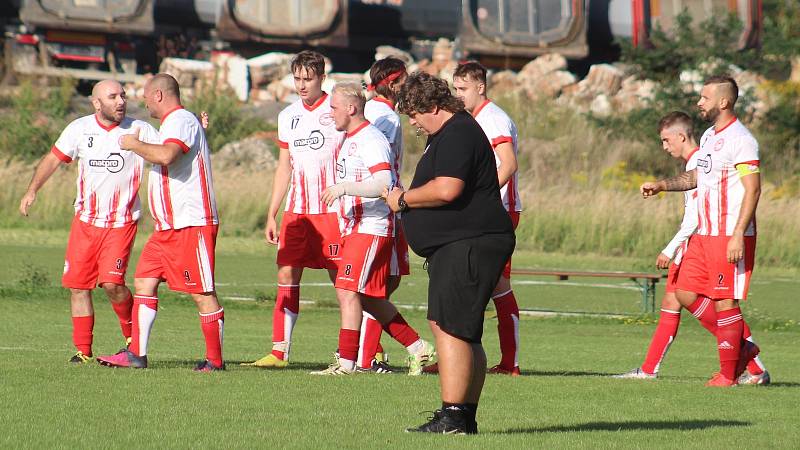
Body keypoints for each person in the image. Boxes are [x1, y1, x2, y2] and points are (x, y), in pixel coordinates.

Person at [386, 72, 515, 434]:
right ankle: (463, 416)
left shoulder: (458, 132)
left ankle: (453, 415)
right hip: (462, 243)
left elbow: (447, 189)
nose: (412, 121)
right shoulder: (450, 132)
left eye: (414, 113)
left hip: (470, 242)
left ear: (434, 106)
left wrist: (403, 199)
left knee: (451, 327)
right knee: (460, 329)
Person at [615, 111, 768, 383]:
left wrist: (671, 248)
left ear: (681, 136)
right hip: (700, 240)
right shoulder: (703, 152)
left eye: (665, 140)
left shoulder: (703, 157)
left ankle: (748, 358)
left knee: (712, 301)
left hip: (704, 240)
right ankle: (651, 369)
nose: (664, 147)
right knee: (677, 297)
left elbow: (695, 215)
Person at [19, 80, 155, 363]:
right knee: (79, 287)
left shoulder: (140, 130)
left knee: (111, 284)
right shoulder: (79, 129)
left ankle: (133, 339)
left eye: (123, 96)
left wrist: (198, 130)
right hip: (85, 223)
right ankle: (83, 351)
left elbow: (172, 149)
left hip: (121, 223)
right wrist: (32, 190)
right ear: (96, 103)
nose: (120, 101)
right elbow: (53, 159)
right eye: (113, 96)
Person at [97, 73, 224, 372]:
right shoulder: (176, 123)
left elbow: (167, 155)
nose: (142, 100)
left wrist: (133, 144)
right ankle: (136, 355)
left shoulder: (181, 120)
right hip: (167, 227)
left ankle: (215, 362)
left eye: (145, 95)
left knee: (202, 293)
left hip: (191, 223)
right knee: (144, 280)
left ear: (158, 95)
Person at [311, 82, 435, 375]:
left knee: (346, 289)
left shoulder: (370, 139)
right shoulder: (351, 138)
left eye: (333, 107)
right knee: (365, 297)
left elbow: (383, 183)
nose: (330, 113)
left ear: (351, 109)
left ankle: (346, 363)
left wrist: (344, 188)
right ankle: (419, 348)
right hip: (356, 226)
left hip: (373, 224)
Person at [241, 50, 345, 368]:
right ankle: (279, 351)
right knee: (286, 274)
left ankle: (364, 349)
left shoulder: (338, 109)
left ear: (322, 78)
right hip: (297, 212)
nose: (301, 85)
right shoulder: (287, 116)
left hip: (333, 212)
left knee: (343, 282)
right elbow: (284, 167)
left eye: (307, 79)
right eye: (297, 78)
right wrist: (272, 212)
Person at [445, 60, 522, 376]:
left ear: (481, 86)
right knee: (482, 284)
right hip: (486, 211)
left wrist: (481, 198)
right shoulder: (472, 119)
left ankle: (508, 363)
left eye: (463, 89)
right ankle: (467, 358)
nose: (458, 95)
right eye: (456, 88)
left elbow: (508, 164)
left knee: (492, 285)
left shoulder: (493, 119)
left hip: (498, 212)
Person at [356, 56, 410, 372]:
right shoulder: (384, 118)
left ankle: (370, 351)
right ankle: (369, 357)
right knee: (379, 285)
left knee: (387, 281)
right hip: (382, 210)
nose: (408, 85)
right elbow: (379, 167)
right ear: (392, 83)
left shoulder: (379, 112)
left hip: (377, 209)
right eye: (404, 80)